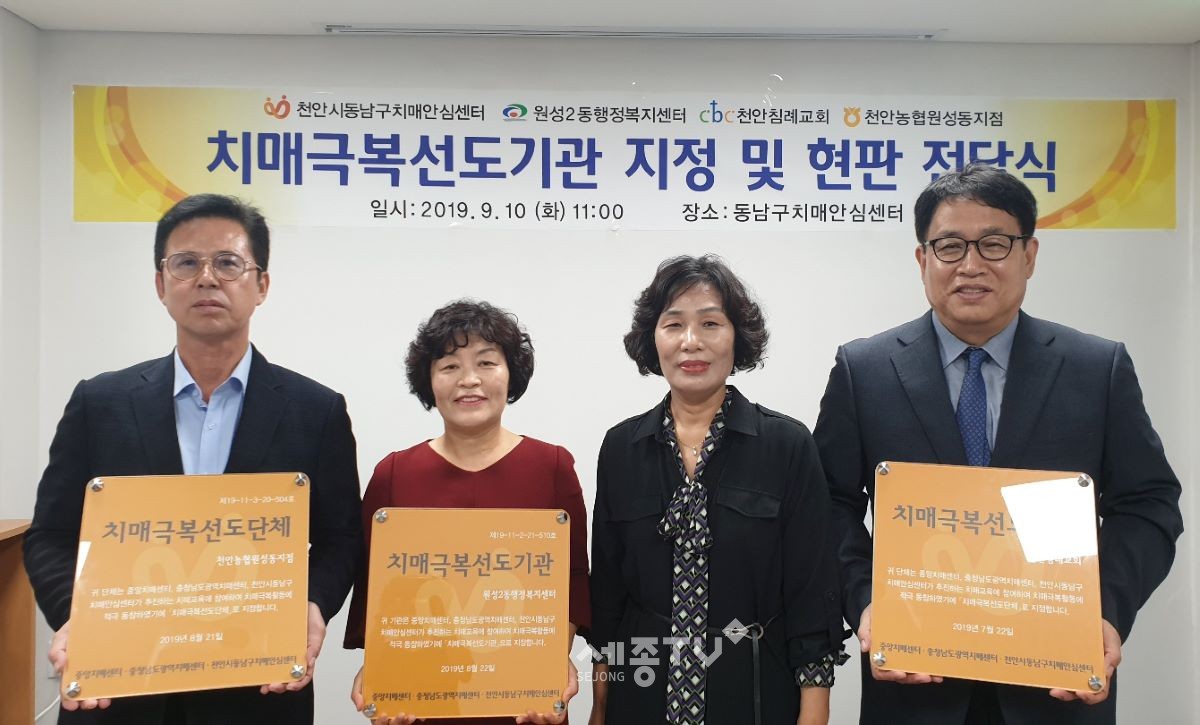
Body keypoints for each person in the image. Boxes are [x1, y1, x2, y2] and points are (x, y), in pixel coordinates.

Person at [813, 163, 1184, 725]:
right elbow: (827, 506)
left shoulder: (1096, 368)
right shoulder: (864, 371)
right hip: (916, 687)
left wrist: (1102, 612)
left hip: (1054, 687)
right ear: (922, 259)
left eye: (994, 244)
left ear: (1029, 255)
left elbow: (1148, 504)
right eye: (949, 246)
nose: (971, 265)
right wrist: (869, 603)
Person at [23, 194, 363, 724]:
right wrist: (83, 619)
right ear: (161, 284)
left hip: (258, 688)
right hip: (120, 691)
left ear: (261, 285)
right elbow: (50, 534)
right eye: (186, 263)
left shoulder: (316, 410)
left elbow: (341, 538)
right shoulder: (100, 402)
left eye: (228, 262)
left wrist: (312, 606)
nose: (207, 279)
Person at [589, 255, 846, 725]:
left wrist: (814, 714)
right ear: (653, 338)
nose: (691, 341)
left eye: (710, 323)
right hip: (641, 692)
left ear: (736, 337)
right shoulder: (621, 448)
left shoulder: (787, 445)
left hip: (754, 691)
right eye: (674, 324)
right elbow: (608, 597)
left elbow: (812, 596)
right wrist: (601, 706)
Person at [345, 300, 590, 725]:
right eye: (450, 366)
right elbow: (375, 589)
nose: (469, 379)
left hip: (525, 705)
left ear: (511, 373)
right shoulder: (394, 474)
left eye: (486, 362)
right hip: (419, 704)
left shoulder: (552, 466)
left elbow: (572, 580)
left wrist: (550, 664)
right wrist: (381, 671)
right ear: (429, 380)